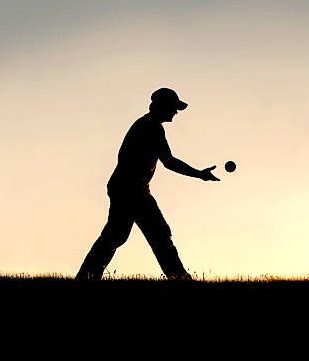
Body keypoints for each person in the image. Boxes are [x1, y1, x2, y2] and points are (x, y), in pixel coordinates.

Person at [76, 88, 219, 280]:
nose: (176, 112)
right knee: (157, 234)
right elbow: (169, 161)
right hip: (132, 190)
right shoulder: (151, 128)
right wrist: (199, 174)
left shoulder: (146, 124)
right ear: (163, 107)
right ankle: (179, 277)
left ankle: (86, 276)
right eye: (173, 108)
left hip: (128, 188)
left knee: (117, 235)